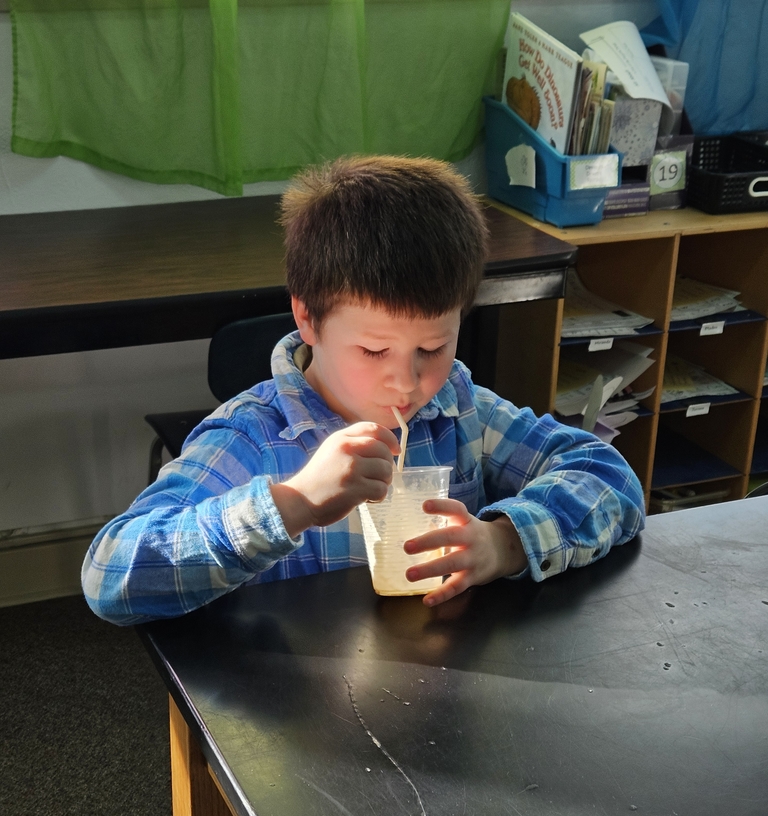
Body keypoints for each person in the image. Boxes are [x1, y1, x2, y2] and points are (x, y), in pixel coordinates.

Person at [82, 155, 644, 626]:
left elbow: (608, 476)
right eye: (374, 351)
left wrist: (505, 541)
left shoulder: (455, 406)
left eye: (432, 347)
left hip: (440, 691)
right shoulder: (256, 435)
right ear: (308, 318)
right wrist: (292, 504)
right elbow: (108, 574)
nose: (406, 381)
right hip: (294, 711)